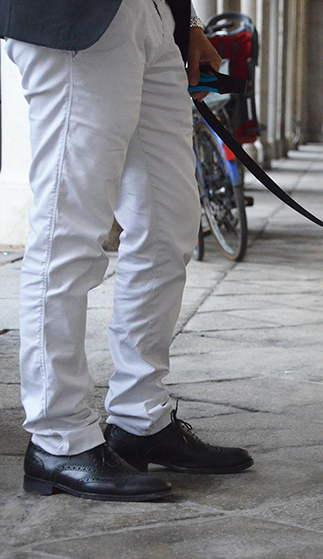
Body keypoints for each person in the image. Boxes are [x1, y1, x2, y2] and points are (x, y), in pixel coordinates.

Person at [1, 0, 254, 501]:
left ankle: (140, 419)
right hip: (79, 21)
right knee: (70, 231)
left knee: (170, 224)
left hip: (157, 18)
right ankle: (59, 437)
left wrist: (191, 22)